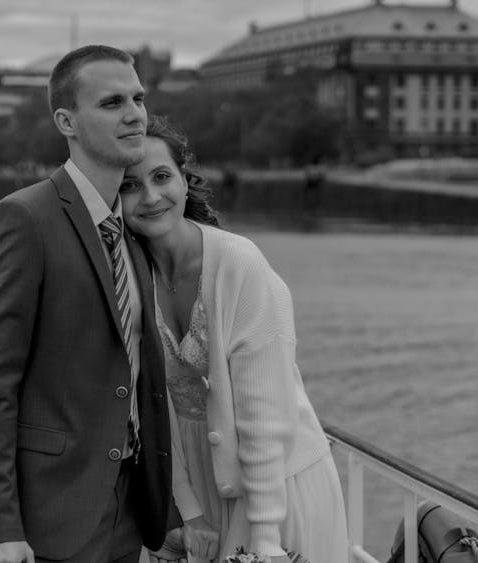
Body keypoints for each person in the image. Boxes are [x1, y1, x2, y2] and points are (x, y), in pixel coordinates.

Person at [0, 46, 181, 563]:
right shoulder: (23, 220)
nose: (134, 114)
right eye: (112, 102)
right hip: (46, 517)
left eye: (139, 98)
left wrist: (167, 512)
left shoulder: (131, 227)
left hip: (126, 511)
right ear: (66, 121)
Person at [120, 116, 349, 563]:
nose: (150, 197)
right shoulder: (129, 274)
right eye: (130, 186)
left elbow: (265, 412)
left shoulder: (239, 265)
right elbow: (150, 406)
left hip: (276, 486)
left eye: (162, 176)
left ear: (185, 182)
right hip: (194, 492)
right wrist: (184, 509)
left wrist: (264, 540)